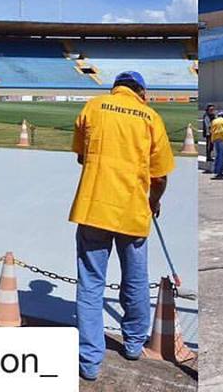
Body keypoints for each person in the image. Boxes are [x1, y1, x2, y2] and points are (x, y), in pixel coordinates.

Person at [69, 70, 174, 380]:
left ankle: (89, 362)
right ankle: (132, 345)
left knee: (90, 284)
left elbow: (81, 158)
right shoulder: (150, 117)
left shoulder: (93, 107)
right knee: (135, 280)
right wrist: (153, 200)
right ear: (140, 92)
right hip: (132, 211)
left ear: (115, 89)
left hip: (94, 208)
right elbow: (160, 176)